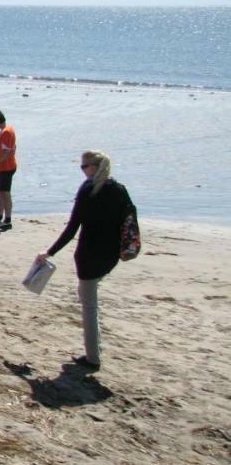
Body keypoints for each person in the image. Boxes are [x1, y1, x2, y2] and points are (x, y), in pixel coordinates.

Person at [35, 151, 135, 371]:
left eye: (83, 167)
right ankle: (95, 347)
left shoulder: (88, 190)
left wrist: (49, 252)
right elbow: (129, 219)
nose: (82, 171)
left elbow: (72, 228)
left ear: (94, 167)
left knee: (89, 305)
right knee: (87, 296)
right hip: (111, 256)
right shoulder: (119, 190)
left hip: (89, 256)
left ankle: (93, 358)